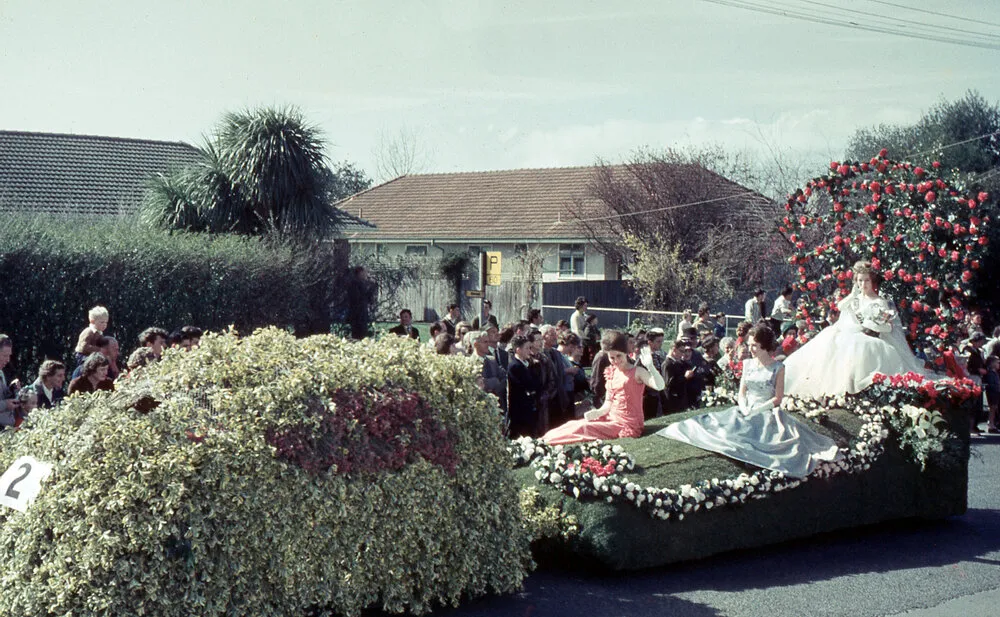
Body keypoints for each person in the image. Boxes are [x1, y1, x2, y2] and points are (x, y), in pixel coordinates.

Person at [658, 325, 841, 478]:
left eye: (755, 346)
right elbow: (742, 391)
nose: (751, 349)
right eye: (750, 344)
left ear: (765, 347)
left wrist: (758, 410)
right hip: (745, 407)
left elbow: (777, 398)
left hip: (766, 409)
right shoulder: (747, 364)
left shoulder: (778, 367)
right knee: (717, 429)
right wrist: (744, 406)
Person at [783, 260, 927, 397]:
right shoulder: (855, 299)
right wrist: (852, 295)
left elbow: (888, 328)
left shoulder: (879, 302)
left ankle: (849, 389)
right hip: (848, 333)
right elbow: (840, 307)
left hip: (869, 339)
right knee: (829, 339)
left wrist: (869, 324)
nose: (863, 284)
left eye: (866, 280)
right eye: (859, 280)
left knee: (856, 345)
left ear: (873, 281)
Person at [542, 330, 664, 445]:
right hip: (610, 417)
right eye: (612, 357)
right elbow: (608, 402)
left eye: (619, 356)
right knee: (572, 424)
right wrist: (598, 412)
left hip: (626, 424)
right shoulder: (612, 371)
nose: (615, 360)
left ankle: (546, 442)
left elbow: (660, 386)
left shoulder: (637, 371)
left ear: (626, 353)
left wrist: (650, 367)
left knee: (583, 428)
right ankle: (542, 440)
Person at [507, 334, 541, 438]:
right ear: (518, 350)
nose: (529, 351)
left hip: (529, 409)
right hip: (520, 412)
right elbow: (528, 385)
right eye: (526, 348)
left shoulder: (527, 364)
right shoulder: (515, 366)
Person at [984, 356, 1000, 434]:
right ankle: (991, 424)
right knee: (992, 408)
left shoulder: (995, 373)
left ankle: (992, 423)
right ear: (992, 363)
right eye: (997, 362)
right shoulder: (990, 373)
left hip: (996, 393)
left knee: (994, 408)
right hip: (992, 393)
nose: (998, 364)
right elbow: (991, 384)